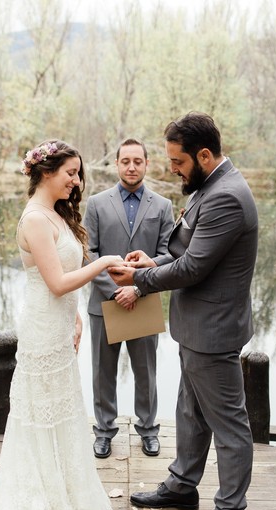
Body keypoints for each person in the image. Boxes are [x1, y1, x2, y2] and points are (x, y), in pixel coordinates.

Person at [108, 112, 258, 510]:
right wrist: (152, 260)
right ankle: (181, 486)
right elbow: (186, 252)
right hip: (197, 328)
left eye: (178, 161)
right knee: (190, 412)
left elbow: (192, 268)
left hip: (214, 331)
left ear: (205, 155)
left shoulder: (226, 196)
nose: (172, 168)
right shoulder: (208, 186)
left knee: (229, 425)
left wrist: (139, 279)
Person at [0, 140, 121, 510]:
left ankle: (70, 493)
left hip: (59, 327)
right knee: (41, 414)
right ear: (45, 172)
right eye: (70, 173)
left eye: (77, 173)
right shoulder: (34, 220)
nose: (76, 181)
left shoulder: (55, 215)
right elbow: (55, 282)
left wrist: (75, 316)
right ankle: (42, 500)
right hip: (40, 330)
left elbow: (62, 278)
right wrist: (104, 262)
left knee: (64, 411)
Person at [84, 138, 175, 459]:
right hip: (104, 303)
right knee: (102, 373)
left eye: (138, 161)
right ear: (117, 164)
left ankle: (148, 430)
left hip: (144, 299)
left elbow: (169, 255)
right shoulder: (96, 203)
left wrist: (137, 287)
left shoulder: (163, 206)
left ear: (147, 164)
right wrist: (115, 290)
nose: (132, 167)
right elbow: (88, 254)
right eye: (126, 161)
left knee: (146, 372)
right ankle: (104, 431)